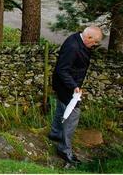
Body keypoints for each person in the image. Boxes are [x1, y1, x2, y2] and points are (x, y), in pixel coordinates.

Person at [48, 26, 103, 164]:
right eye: (95, 42)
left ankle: (55, 133)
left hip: (67, 83)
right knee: (73, 114)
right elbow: (62, 70)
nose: (95, 45)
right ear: (88, 37)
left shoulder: (78, 39)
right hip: (66, 85)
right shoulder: (73, 47)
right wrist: (74, 87)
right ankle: (64, 149)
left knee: (62, 106)